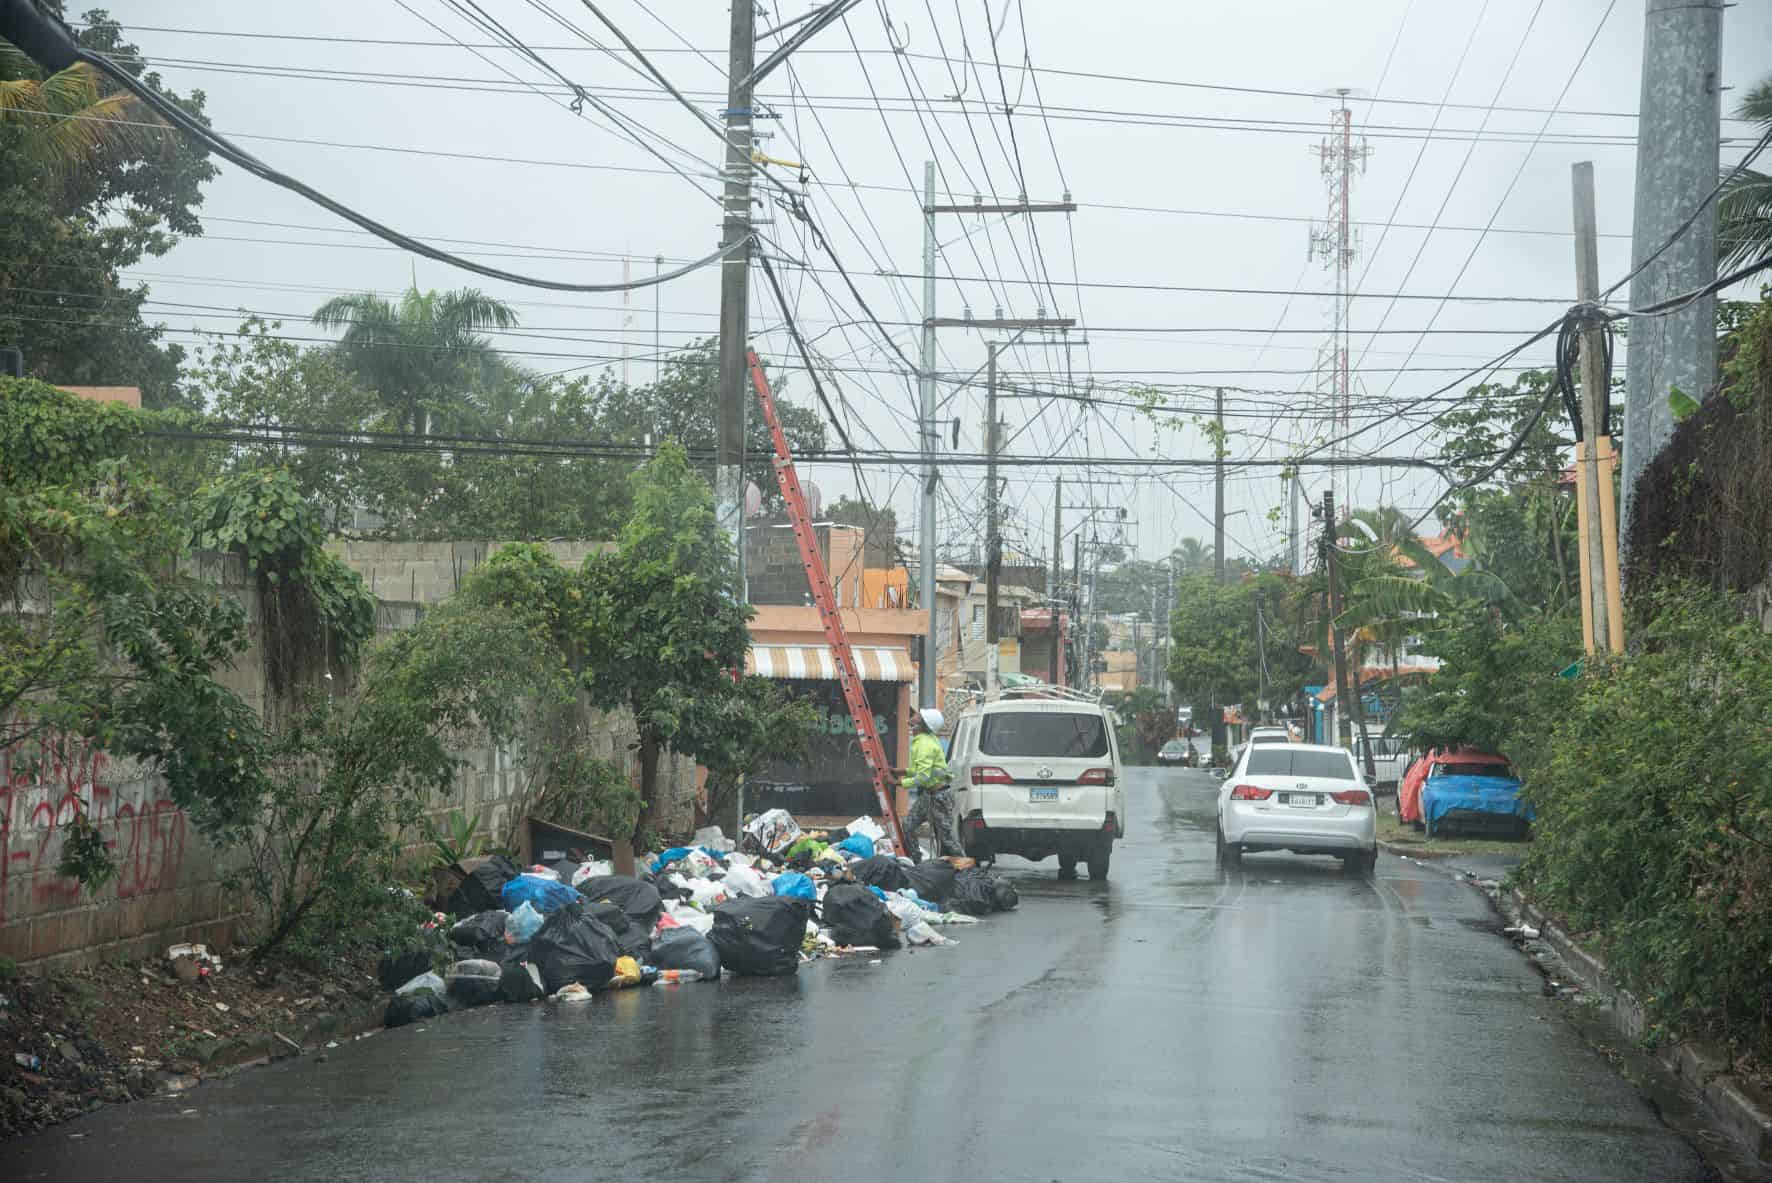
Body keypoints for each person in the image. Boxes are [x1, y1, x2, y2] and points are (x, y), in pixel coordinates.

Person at [899, 707, 962, 859]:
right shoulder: (923, 740)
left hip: (939, 797)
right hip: (930, 794)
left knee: (947, 840)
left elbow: (923, 777)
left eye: (917, 716)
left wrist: (901, 782)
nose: (913, 717)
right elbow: (920, 770)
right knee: (908, 825)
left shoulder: (925, 744)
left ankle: (967, 871)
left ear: (922, 724)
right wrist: (903, 772)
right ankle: (916, 862)